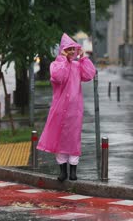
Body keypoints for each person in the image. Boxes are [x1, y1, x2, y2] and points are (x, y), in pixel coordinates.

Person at [37, 33, 96, 181]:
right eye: (68, 49)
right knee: (60, 139)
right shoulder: (56, 64)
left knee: (74, 139)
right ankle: (63, 171)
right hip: (59, 109)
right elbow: (58, 77)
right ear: (63, 50)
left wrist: (83, 58)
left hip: (75, 110)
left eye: (73, 49)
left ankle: (73, 171)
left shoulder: (77, 66)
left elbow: (89, 75)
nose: (71, 52)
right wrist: (62, 59)